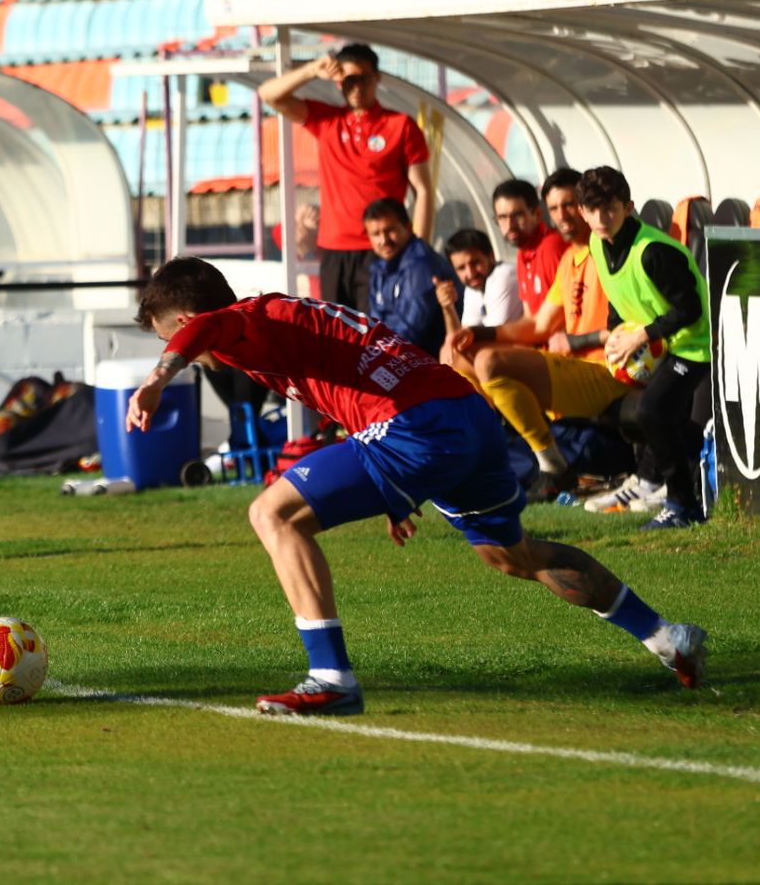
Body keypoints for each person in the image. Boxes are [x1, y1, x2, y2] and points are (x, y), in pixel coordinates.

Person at [126, 256, 707, 716]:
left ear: (181, 325)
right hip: (463, 415)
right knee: (514, 555)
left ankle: (330, 678)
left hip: (414, 426)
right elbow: (352, 376)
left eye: (166, 338)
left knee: (272, 514)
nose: (183, 353)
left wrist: (157, 378)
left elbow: (210, 324)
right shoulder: (281, 319)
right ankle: (664, 636)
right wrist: (392, 489)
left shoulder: (242, 326)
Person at [452, 168, 636, 503]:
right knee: (460, 357)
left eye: (569, 205)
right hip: (574, 368)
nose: (562, 216)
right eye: (554, 208)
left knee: (491, 360)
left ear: (585, 208)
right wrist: (479, 332)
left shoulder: (606, 251)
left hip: (606, 371)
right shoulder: (570, 257)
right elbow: (537, 324)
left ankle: (550, 465)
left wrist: (578, 341)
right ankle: (482, 458)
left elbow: (630, 327)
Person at [577, 165, 712, 529]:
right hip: (662, 345)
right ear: (582, 212)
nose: (602, 218)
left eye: (610, 208)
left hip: (696, 346)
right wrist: (614, 332)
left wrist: (641, 336)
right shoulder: (595, 243)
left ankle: (681, 504)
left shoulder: (653, 251)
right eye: (593, 209)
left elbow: (691, 309)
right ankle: (651, 481)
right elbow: (617, 295)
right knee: (652, 414)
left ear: (628, 206)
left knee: (652, 412)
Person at [258, 43, 433, 311]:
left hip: (380, 248)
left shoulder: (401, 125)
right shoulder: (327, 120)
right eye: (349, 80)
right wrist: (312, 70)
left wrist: (418, 252)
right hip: (333, 250)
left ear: (377, 77)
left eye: (363, 78)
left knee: (375, 335)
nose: (357, 87)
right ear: (339, 82)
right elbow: (269, 95)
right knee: (336, 337)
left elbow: (423, 191)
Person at [365, 196, 458, 355]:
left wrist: (373, 352)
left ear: (408, 228)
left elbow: (412, 334)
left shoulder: (421, 264)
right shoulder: (378, 267)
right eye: (376, 234)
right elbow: (375, 323)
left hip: (427, 361)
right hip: (392, 354)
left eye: (390, 230)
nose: (384, 240)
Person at [436, 227, 520, 362]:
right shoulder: (473, 288)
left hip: (524, 355)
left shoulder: (504, 276)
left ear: (491, 256)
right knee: (448, 354)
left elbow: (493, 337)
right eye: (461, 268)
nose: (470, 273)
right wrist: (448, 307)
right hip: (501, 357)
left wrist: (454, 344)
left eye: (475, 263)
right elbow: (461, 336)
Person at [492, 178, 568, 317]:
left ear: (537, 214)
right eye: (502, 218)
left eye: (517, 216)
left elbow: (563, 315)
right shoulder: (522, 254)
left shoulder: (551, 247)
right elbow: (530, 317)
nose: (510, 225)